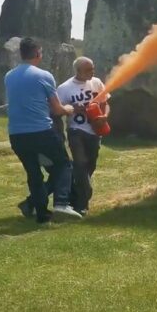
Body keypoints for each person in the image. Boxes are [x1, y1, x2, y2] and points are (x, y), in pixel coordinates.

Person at [6, 37, 82, 223]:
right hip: (41, 131)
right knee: (64, 164)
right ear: (38, 53)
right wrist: (70, 109)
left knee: (34, 173)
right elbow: (57, 109)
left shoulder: (9, 76)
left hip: (16, 134)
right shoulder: (44, 75)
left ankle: (41, 214)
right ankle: (62, 203)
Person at [56, 57, 109, 215]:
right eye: (88, 70)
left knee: (89, 167)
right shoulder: (65, 88)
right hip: (76, 130)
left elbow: (105, 103)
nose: (92, 72)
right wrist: (72, 107)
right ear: (78, 71)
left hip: (95, 131)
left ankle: (75, 198)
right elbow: (58, 109)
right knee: (80, 164)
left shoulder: (97, 83)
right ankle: (83, 203)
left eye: (93, 68)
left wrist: (105, 116)